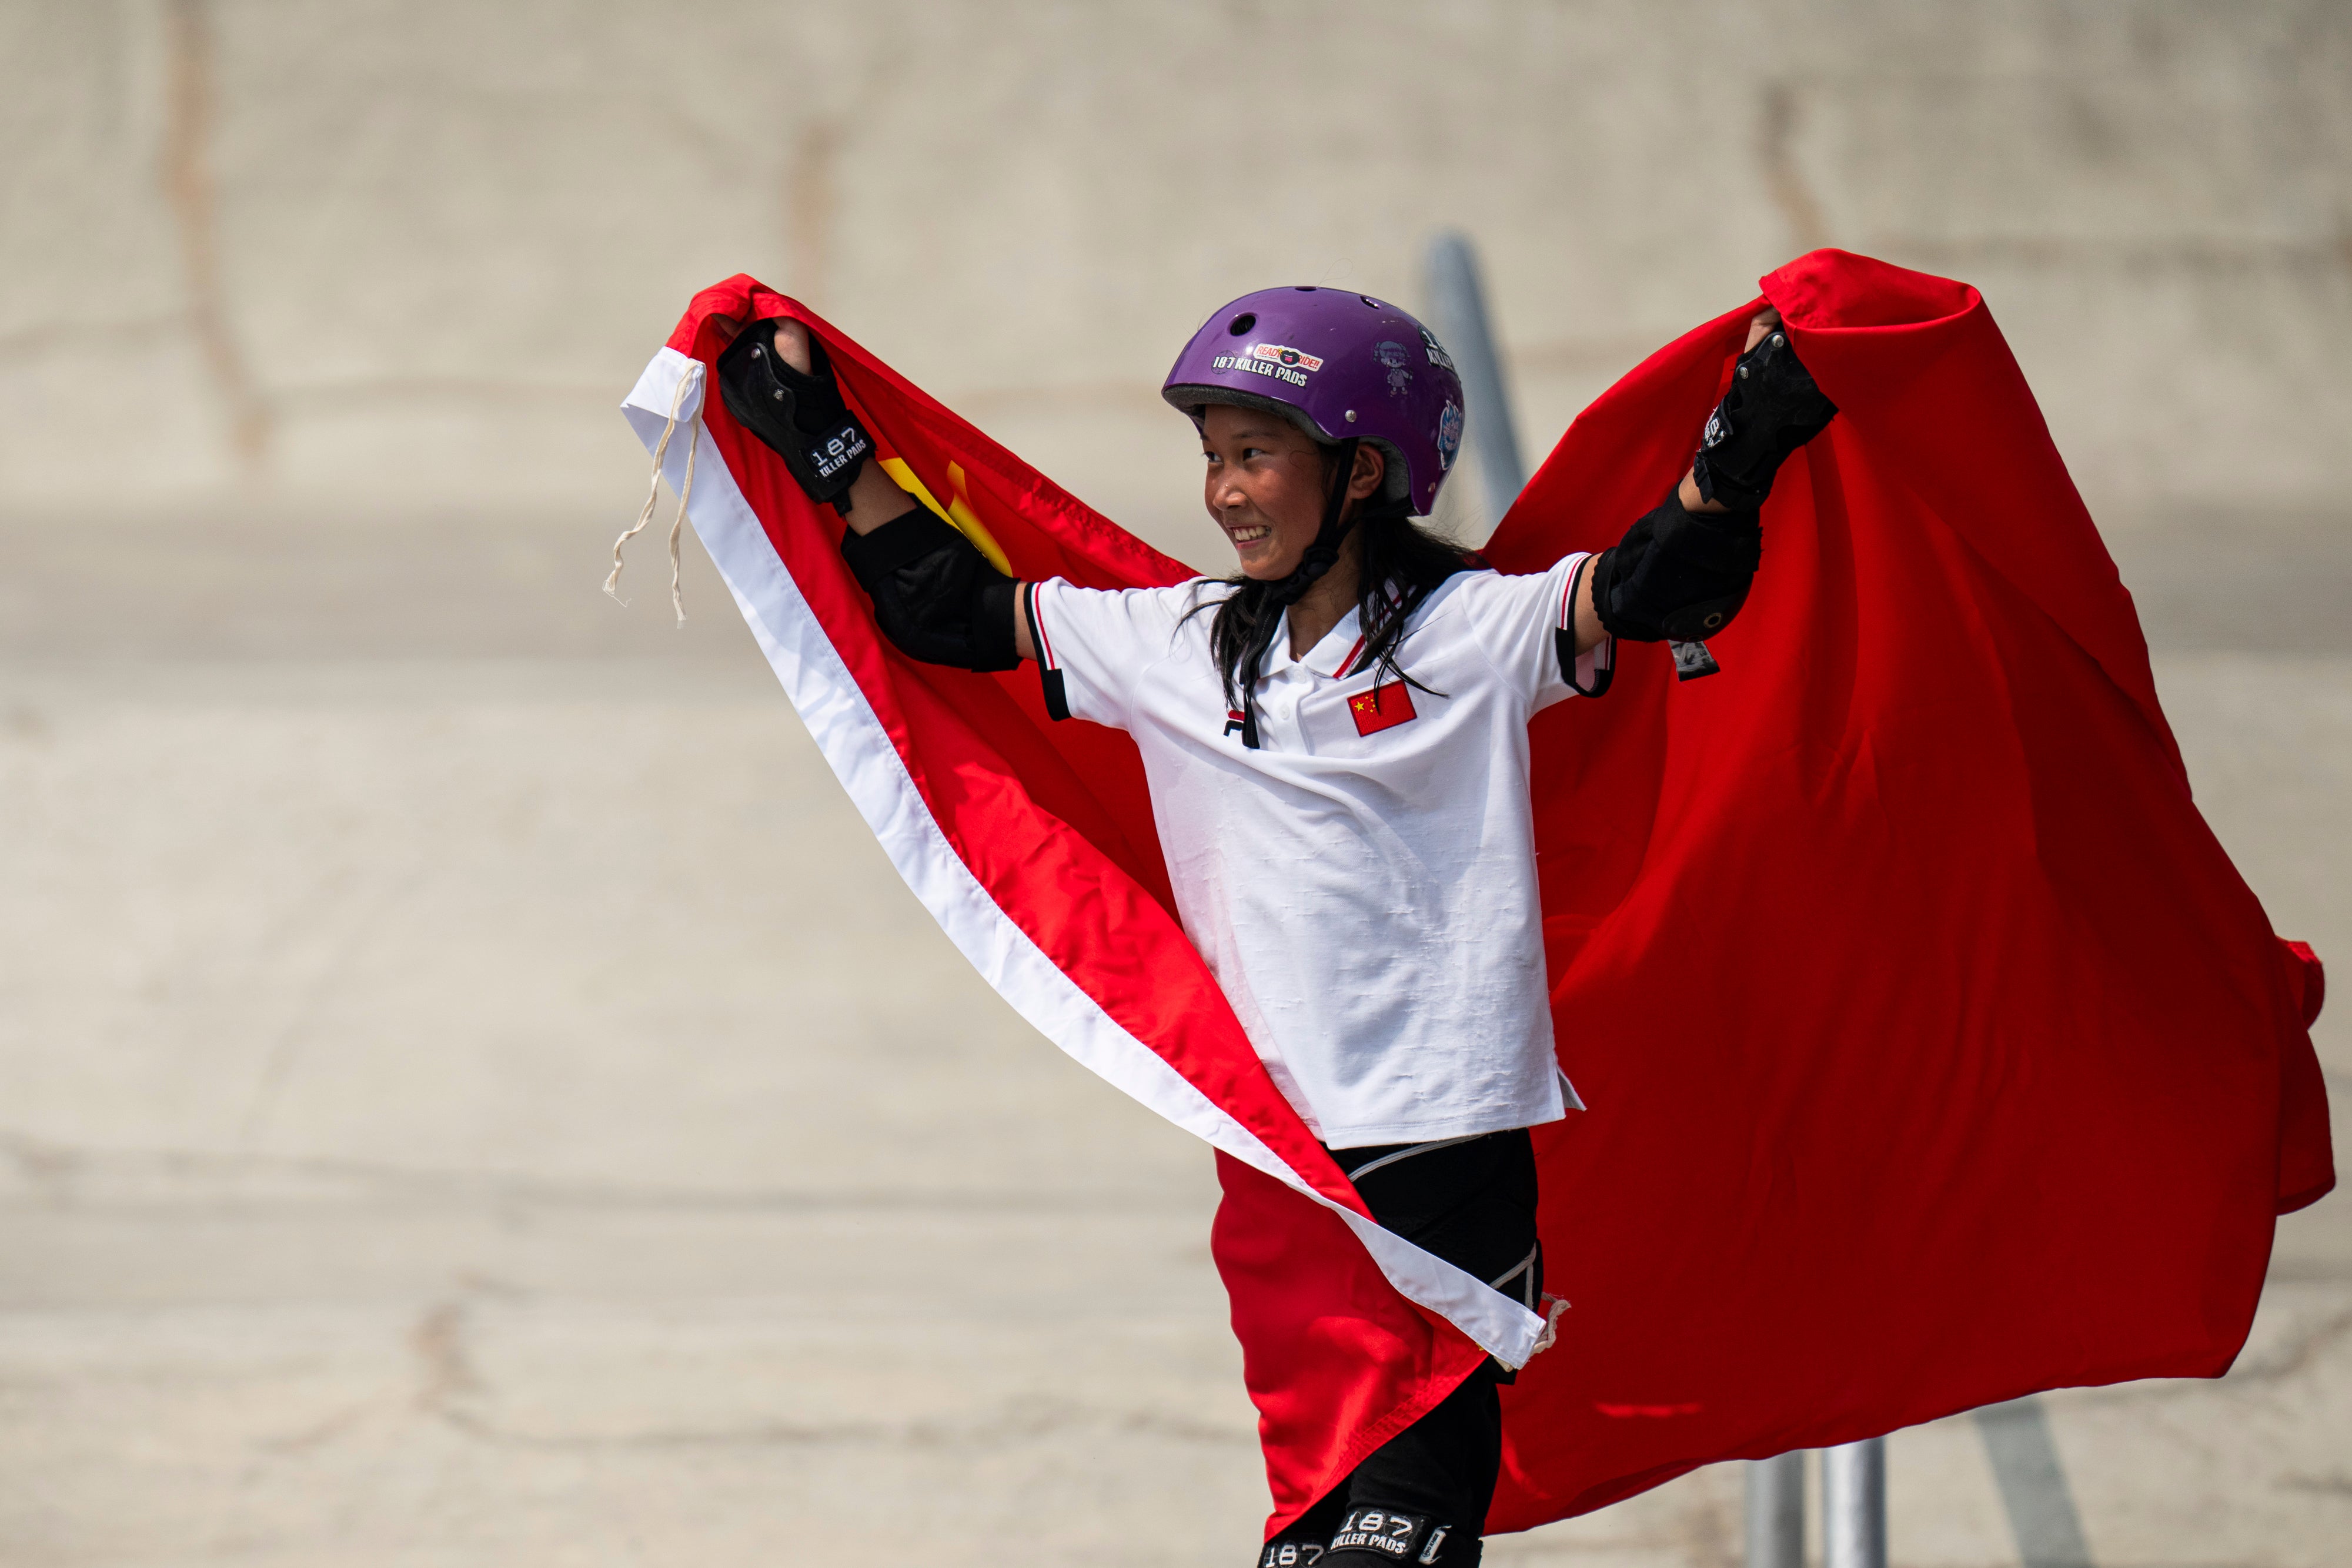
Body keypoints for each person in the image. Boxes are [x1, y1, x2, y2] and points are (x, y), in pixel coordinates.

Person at [711, 286, 1835, 1565]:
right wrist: (821, 439)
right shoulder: (1173, 643)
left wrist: (1745, 443)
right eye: (1210, 457)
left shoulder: (1472, 630)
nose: (1223, 492)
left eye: (1254, 454)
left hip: (1438, 1162)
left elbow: (1652, 585)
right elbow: (951, 612)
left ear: (1361, 471)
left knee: (1385, 1546)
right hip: (1277, 1171)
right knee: (1309, 1545)